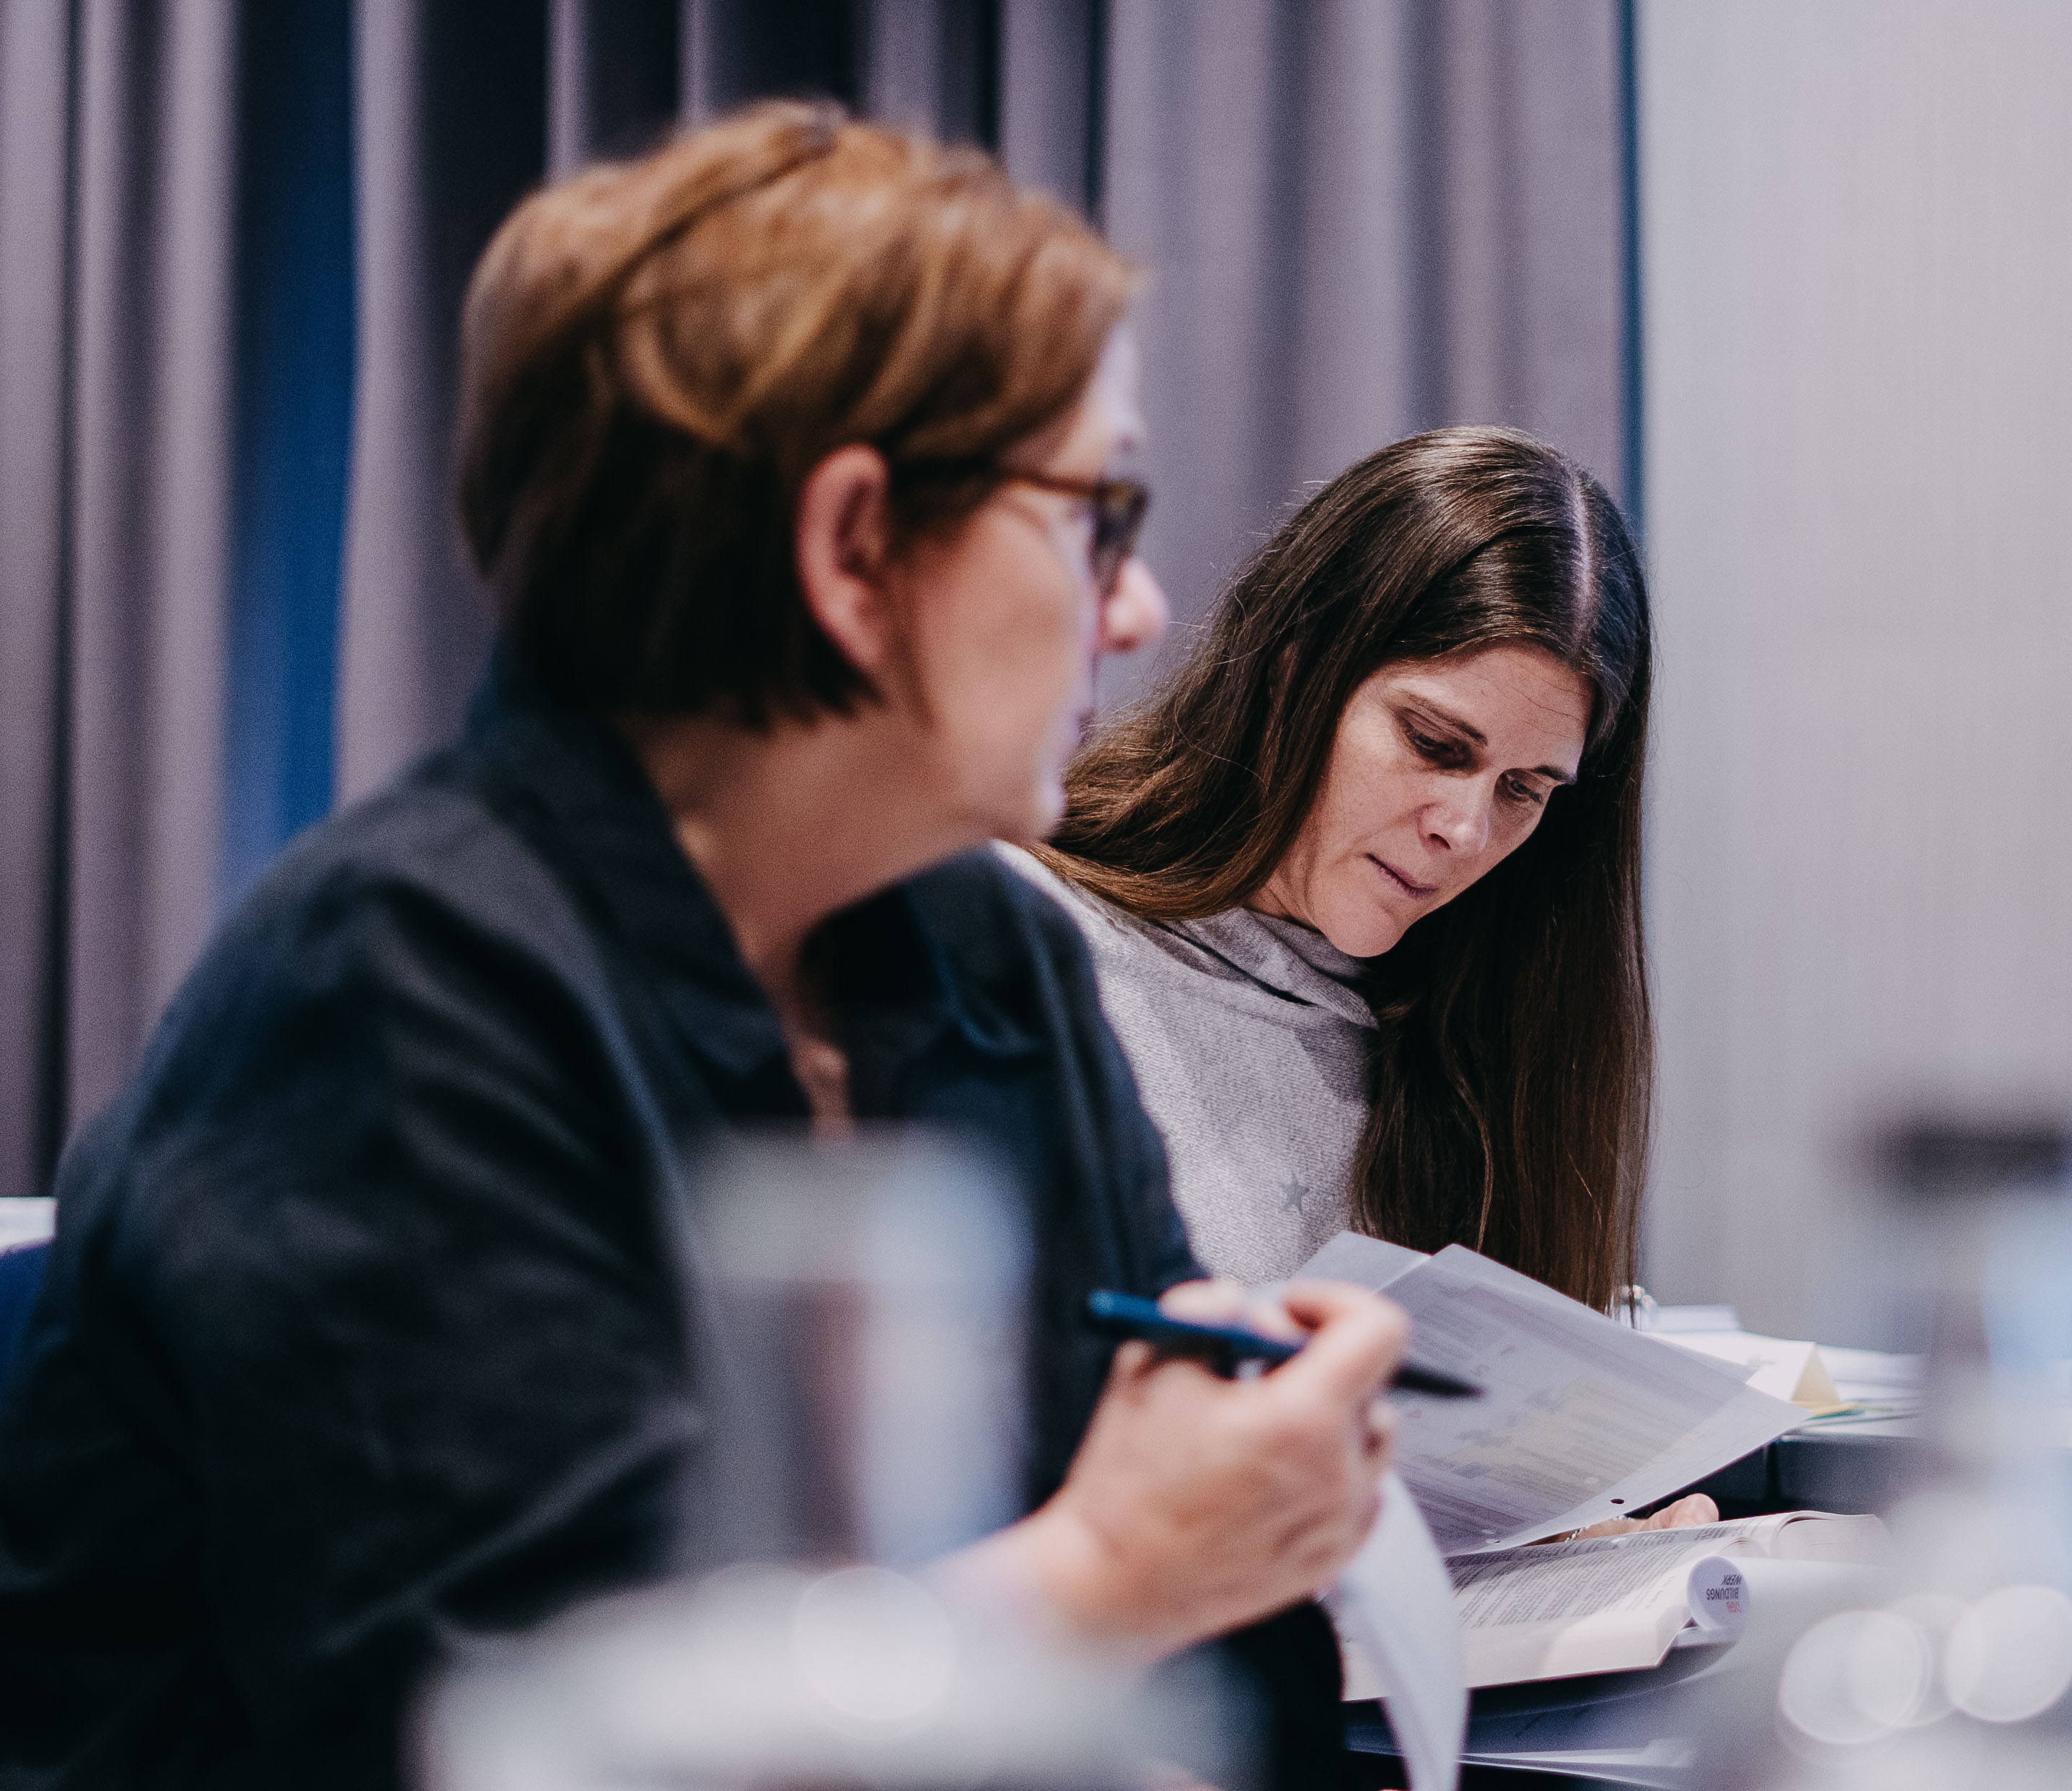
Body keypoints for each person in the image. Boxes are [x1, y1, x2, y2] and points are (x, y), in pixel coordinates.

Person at [0, 103, 1404, 1789]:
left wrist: (1245, 1496)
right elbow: (506, 1752)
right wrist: (1111, 1567)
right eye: (1093, 514)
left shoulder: (975, 941)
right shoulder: (393, 988)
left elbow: (1215, 1655)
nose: (1139, 605)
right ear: (849, 545)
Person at [1025, 426, 1653, 1309]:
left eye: (1524, 788)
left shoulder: (1483, 1031)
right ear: (1291, 677)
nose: (1467, 830)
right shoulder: (1026, 947)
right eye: (1433, 745)